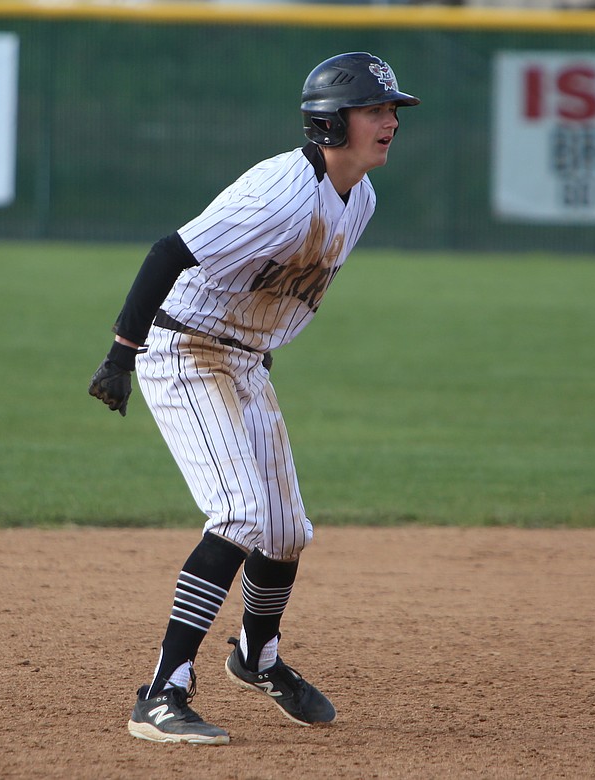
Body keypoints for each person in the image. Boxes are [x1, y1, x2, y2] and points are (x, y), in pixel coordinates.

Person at [87, 52, 420, 745]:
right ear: (332, 123)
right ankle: (161, 692)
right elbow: (167, 252)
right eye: (375, 110)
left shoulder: (361, 199)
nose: (389, 120)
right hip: (185, 349)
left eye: (392, 110)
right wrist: (122, 354)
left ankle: (256, 658)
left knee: (286, 531)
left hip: (246, 360)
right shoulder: (280, 193)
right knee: (239, 515)